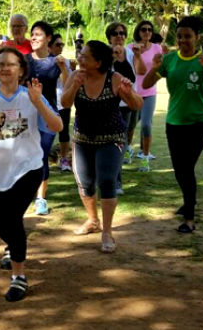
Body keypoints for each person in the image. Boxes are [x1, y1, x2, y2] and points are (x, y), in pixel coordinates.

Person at [0, 47, 63, 302]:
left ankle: (19, 276)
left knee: (13, 221)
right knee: (1, 223)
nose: (5, 68)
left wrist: (39, 101)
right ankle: (12, 246)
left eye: (11, 64)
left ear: (21, 70)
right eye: (1, 64)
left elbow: (57, 126)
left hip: (28, 168)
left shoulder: (31, 96)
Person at [142, 16, 203, 233]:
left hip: (200, 122)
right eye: (180, 36)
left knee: (185, 168)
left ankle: (189, 219)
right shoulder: (170, 60)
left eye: (188, 37)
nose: (183, 40)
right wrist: (154, 68)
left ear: (197, 37)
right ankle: (188, 200)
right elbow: (145, 84)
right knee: (180, 170)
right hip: (174, 123)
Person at [62, 40, 142, 252]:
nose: (80, 58)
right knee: (85, 183)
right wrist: (75, 85)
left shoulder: (114, 79)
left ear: (98, 62)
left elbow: (136, 105)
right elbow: (65, 102)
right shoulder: (75, 76)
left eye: (85, 56)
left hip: (111, 138)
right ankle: (93, 220)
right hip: (82, 139)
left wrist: (129, 91)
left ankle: (107, 231)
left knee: (107, 181)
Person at [27, 22, 69, 215]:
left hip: (48, 115)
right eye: (32, 34)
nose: (33, 38)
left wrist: (64, 68)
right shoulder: (24, 61)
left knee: (41, 154)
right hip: (25, 114)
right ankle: (24, 192)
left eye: (38, 35)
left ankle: (41, 199)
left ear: (48, 38)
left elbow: (68, 87)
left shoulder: (56, 61)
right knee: (25, 154)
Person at [106, 23, 146, 196]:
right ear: (109, 36)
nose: (119, 36)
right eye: (115, 33)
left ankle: (115, 181)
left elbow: (141, 71)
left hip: (126, 105)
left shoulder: (130, 53)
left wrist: (138, 55)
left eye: (122, 33)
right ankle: (109, 180)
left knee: (120, 143)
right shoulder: (104, 53)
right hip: (107, 105)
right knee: (108, 143)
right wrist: (113, 59)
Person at [131, 20, 162, 172]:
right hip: (133, 92)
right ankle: (127, 151)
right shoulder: (131, 47)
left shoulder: (157, 48)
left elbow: (162, 67)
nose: (147, 32)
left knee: (146, 125)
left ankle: (145, 160)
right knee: (129, 126)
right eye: (144, 29)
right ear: (138, 31)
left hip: (150, 92)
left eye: (150, 29)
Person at [48, 34, 74, 172]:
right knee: (46, 132)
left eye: (62, 44)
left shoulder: (66, 62)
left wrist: (63, 67)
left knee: (64, 133)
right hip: (47, 102)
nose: (61, 47)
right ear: (49, 46)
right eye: (57, 44)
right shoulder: (44, 61)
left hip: (62, 102)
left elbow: (67, 83)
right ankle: (43, 158)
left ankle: (63, 160)